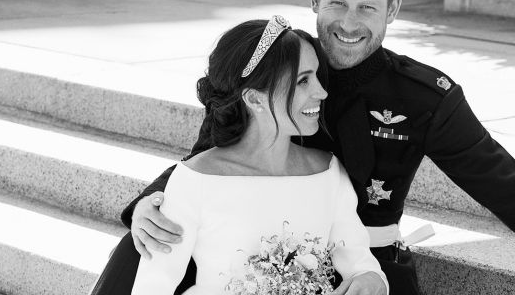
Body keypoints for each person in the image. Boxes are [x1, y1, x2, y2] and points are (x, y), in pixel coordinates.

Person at [101, 0, 515, 294]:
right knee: (149, 238)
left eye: (367, 7)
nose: (349, 22)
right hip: (257, 265)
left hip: (369, 269)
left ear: (394, 9)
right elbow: (213, 158)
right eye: (337, 2)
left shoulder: (425, 97)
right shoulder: (274, 68)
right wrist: (147, 205)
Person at [93, 16, 388, 295]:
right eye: (303, 81)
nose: (322, 92)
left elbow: (358, 259)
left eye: (316, 77)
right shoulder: (196, 179)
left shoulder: (328, 173)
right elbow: (153, 285)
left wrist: (371, 279)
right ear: (254, 98)